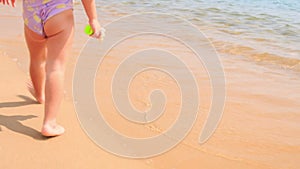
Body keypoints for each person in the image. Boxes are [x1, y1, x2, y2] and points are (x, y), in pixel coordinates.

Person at [1, 0, 103, 136]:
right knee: (56, 68)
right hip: (59, 14)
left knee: (37, 59)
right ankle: (49, 123)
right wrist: (93, 19)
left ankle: (40, 95)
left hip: (32, 14)